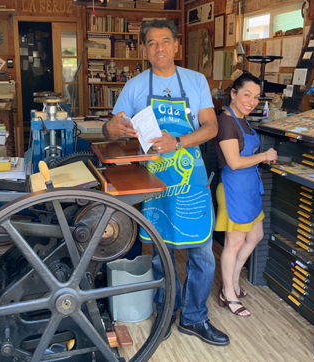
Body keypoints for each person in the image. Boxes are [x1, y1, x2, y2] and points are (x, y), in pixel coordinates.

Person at [102, 19, 229, 346]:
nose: (159, 48)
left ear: (175, 45)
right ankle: (166, 310)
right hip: (153, 178)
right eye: (152, 43)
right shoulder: (134, 87)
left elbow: (211, 127)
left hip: (192, 176)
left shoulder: (196, 80)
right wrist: (114, 128)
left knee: (202, 251)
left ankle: (194, 317)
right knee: (161, 251)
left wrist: (180, 141)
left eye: (165, 41)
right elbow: (109, 130)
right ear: (144, 49)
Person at [213, 72, 278, 317]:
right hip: (233, 189)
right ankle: (228, 292)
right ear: (233, 93)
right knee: (234, 243)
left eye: (256, 97)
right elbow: (234, 162)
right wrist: (263, 156)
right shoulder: (227, 122)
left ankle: (234, 281)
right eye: (246, 95)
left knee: (255, 236)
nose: (251, 101)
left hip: (250, 187)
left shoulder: (243, 119)